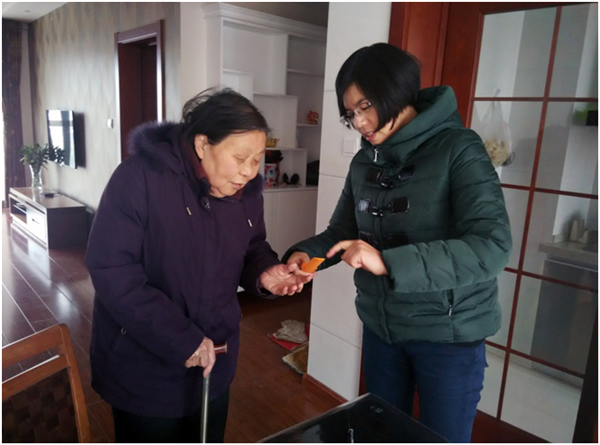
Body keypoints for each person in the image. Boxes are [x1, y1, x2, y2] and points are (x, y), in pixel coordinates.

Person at [283, 43, 512, 443]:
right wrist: (304, 255)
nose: (359, 122)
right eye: (350, 113)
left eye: (366, 106)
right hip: (383, 330)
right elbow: (342, 232)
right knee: (381, 434)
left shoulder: (459, 148)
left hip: (448, 336)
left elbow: (491, 246)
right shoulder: (365, 161)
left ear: (399, 90)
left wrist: (388, 262)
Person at [86, 88, 315, 443]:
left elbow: (252, 246)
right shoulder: (139, 178)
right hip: (145, 369)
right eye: (240, 158)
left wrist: (265, 271)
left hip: (216, 362)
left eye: (257, 159)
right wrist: (182, 339)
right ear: (202, 144)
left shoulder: (246, 192)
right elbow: (112, 271)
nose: (248, 172)